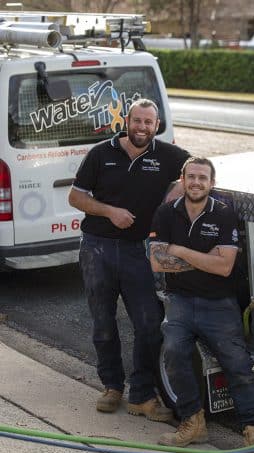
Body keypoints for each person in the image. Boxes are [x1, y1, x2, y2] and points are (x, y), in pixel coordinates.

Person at [149, 156, 254, 453]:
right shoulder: (166, 212)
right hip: (180, 301)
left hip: (219, 305)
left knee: (239, 367)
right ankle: (194, 424)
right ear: (182, 180)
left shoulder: (223, 214)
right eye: (190, 177)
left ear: (212, 183)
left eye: (202, 178)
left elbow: (224, 267)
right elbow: (156, 261)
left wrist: (178, 251)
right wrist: (204, 258)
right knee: (174, 354)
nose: (196, 182)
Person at [68, 98, 189, 422]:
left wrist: (172, 194)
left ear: (156, 125)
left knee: (150, 324)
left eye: (149, 123)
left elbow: (197, 169)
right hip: (98, 248)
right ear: (127, 121)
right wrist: (110, 211)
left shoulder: (165, 155)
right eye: (137, 121)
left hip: (140, 252)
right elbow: (75, 196)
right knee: (104, 323)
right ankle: (111, 387)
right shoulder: (101, 153)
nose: (142, 128)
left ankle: (142, 395)